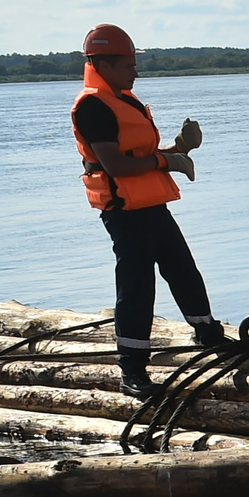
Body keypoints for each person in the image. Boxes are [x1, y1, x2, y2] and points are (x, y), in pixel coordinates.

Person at [70, 24, 224, 397]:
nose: (135, 72)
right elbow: (116, 165)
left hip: (150, 203)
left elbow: (142, 155)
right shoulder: (93, 107)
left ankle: (207, 333)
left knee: (183, 269)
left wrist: (178, 148)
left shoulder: (124, 100)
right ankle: (132, 371)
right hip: (124, 210)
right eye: (127, 65)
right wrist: (168, 162)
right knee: (138, 287)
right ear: (102, 65)